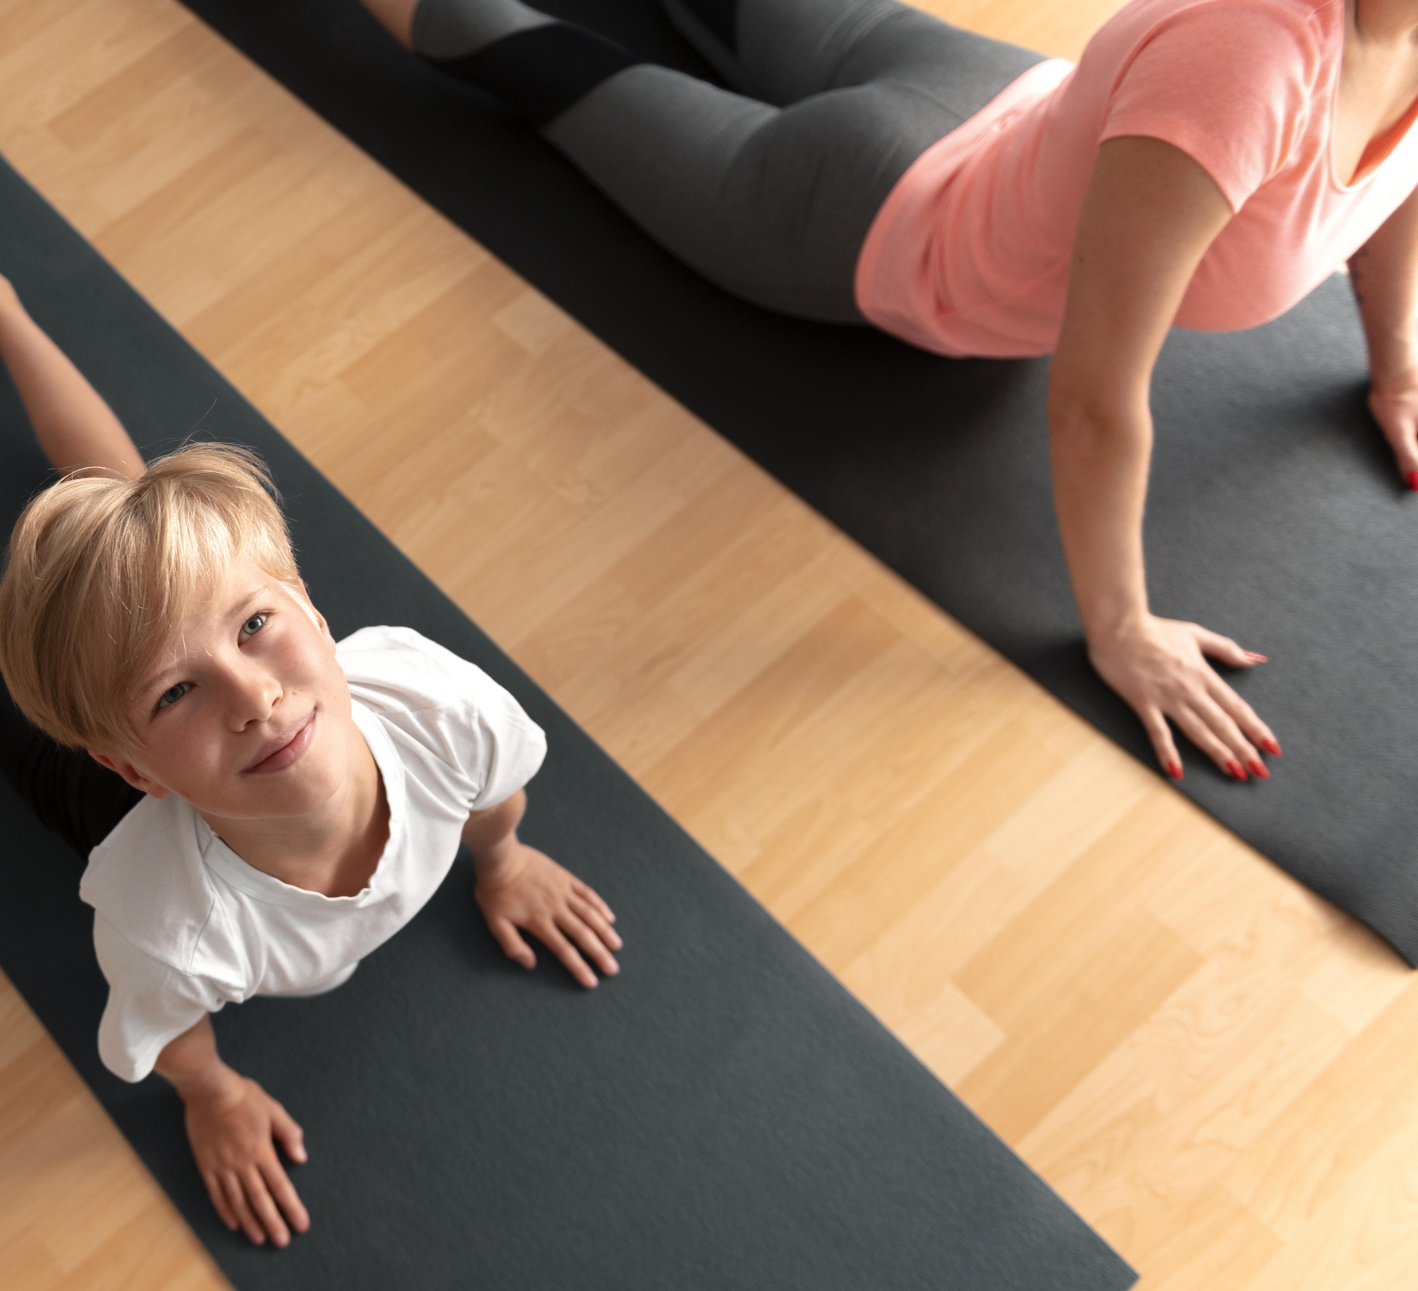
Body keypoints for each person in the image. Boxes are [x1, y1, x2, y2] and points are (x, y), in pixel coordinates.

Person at [0, 243, 624, 1248]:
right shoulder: (169, 921)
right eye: (178, 692)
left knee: (130, 511)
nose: (252, 697)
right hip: (122, 816)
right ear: (128, 763)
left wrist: (504, 857)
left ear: (303, 601)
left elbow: (496, 784)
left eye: (255, 623)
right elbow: (166, 1031)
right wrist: (211, 1096)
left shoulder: (435, 702)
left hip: (207, 717)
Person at [360, 0, 1418, 783]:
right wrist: (1121, 627)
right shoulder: (1247, 66)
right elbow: (1093, 398)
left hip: (975, 84)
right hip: (851, 209)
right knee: (511, 49)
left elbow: (1393, 192)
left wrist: (1398, 366)